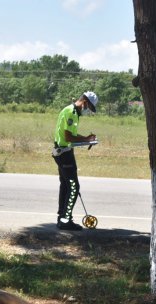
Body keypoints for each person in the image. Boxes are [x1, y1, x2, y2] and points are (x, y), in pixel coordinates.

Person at [52, 91, 98, 231]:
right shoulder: (72, 112)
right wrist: (86, 139)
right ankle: (65, 220)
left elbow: (70, 135)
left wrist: (86, 138)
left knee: (66, 186)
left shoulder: (71, 111)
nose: (87, 110)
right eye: (88, 107)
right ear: (84, 101)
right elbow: (68, 137)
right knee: (73, 187)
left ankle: (62, 218)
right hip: (64, 154)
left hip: (62, 152)